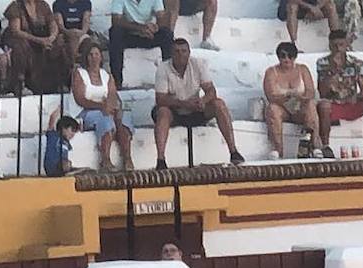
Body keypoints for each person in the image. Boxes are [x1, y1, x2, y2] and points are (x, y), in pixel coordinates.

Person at [152, 38, 246, 169]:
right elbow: (160, 99)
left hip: (195, 109)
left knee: (219, 104)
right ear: (171, 54)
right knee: (162, 112)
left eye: (183, 51)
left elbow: (211, 90)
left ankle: (233, 151)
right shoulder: (163, 68)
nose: (180, 54)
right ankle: (161, 159)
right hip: (174, 111)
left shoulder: (198, 64)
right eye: (177, 51)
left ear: (189, 53)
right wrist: (184, 104)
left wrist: (203, 101)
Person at [316, 30, 363, 156]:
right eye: (334, 45)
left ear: (346, 44)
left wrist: (356, 97)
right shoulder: (322, 63)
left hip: (352, 103)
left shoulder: (357, 63)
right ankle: (326, 146)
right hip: (333, 104)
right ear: (330, 45)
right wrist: (330, 79)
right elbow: (322, 93)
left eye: (341, 45)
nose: (338, 48)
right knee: (324, 105)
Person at [72, 43, 135, 170]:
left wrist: (114, 109)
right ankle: (105, 160)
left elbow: (113, 95)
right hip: (86, 112)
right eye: (91, 55)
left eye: (96, 54)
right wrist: (101, 106)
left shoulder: (106, 75)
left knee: (123, 119)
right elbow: (80, 99)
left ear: (101, 57)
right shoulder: (80, 74)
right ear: (86, 58)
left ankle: (127, 158)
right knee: (105, 120)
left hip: (106, 110)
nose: (94, 57)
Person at [263, 42, 322, 159]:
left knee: (310, 104)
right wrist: (288, 100)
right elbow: (271, 96)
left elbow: (310, 91)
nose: (286, 59)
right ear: (278, 57)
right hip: (282, 108)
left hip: (301, 106)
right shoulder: (271, 72)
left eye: (290, 56)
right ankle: (278, 149)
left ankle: (315, 146)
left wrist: (301, 99)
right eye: (283, 56)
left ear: (295, 57)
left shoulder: (302, 69)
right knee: (272, 109)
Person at [4, 0, 71, 94]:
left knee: (60, 44)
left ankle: (62, 82)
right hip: (25, 40)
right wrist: (39, 40)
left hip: (43, 39)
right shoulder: (16, 6)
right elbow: (16, 31)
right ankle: (20, 83)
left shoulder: (43, 5)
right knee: (20, 46)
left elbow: (53, 25)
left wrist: (51, 38)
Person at [109, 0, 172, 86]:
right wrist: (139, 28)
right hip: (130, 34)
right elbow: (116, 20)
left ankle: (170, 80)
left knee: (167, 33)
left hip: (148, 35)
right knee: (115, 32)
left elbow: (161, 17)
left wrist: (154, 28)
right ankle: (117, 82)